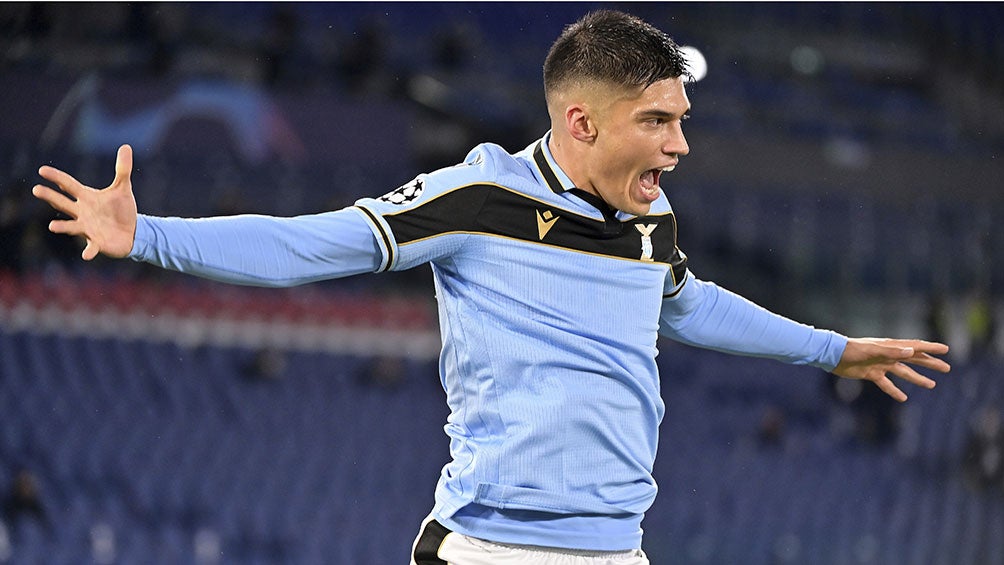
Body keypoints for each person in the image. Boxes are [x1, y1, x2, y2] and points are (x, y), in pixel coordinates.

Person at [31, 10, 951, 565]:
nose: (680, 145)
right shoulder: (478, 197)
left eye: (682, 119)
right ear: (582, 122)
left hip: (617, 548)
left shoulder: (650, 220)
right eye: (658, 120)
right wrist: (147, 234)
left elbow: (689, 301)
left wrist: (831, 349)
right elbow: (313, 244)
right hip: (492, 550)